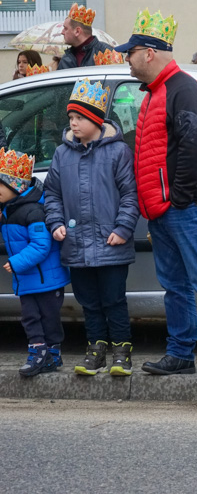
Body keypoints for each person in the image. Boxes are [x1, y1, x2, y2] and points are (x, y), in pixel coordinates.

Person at [113, 8, 197, 378]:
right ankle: (181, 353)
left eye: (131, 52)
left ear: (149, 53)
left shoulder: (182, 89)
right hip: (164, 209)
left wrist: (176, 199)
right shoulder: (157, 91)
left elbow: (190, 150)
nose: (127, 58)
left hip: (183, 208)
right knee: (175, 286)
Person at [43, 78, 139, 377]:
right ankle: (95, 350)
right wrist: (56, 223)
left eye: (80, 118)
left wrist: (123, 228)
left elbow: (129, 194)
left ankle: (122, 352)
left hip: (111, 242)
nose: (73, 123)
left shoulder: (118, 152)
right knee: (89, 302)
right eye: (71, 118)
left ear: (96, 120)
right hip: (77, 244)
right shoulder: (62, 154)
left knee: (113, 299)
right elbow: (53, 194)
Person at [0, 149, 69, 377]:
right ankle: (39, 352)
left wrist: (17, 262)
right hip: (28, 280)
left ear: (16, 187)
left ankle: (51, 354)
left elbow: (41, 246)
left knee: (49, 318)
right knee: (30, 318)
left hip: (45, 279)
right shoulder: (9, 211)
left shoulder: (34, 211)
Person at [57, 4, 114, 70]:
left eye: (65, 28)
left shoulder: (107, 53)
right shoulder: (65, 59)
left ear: (77, 31)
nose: (62, 32)